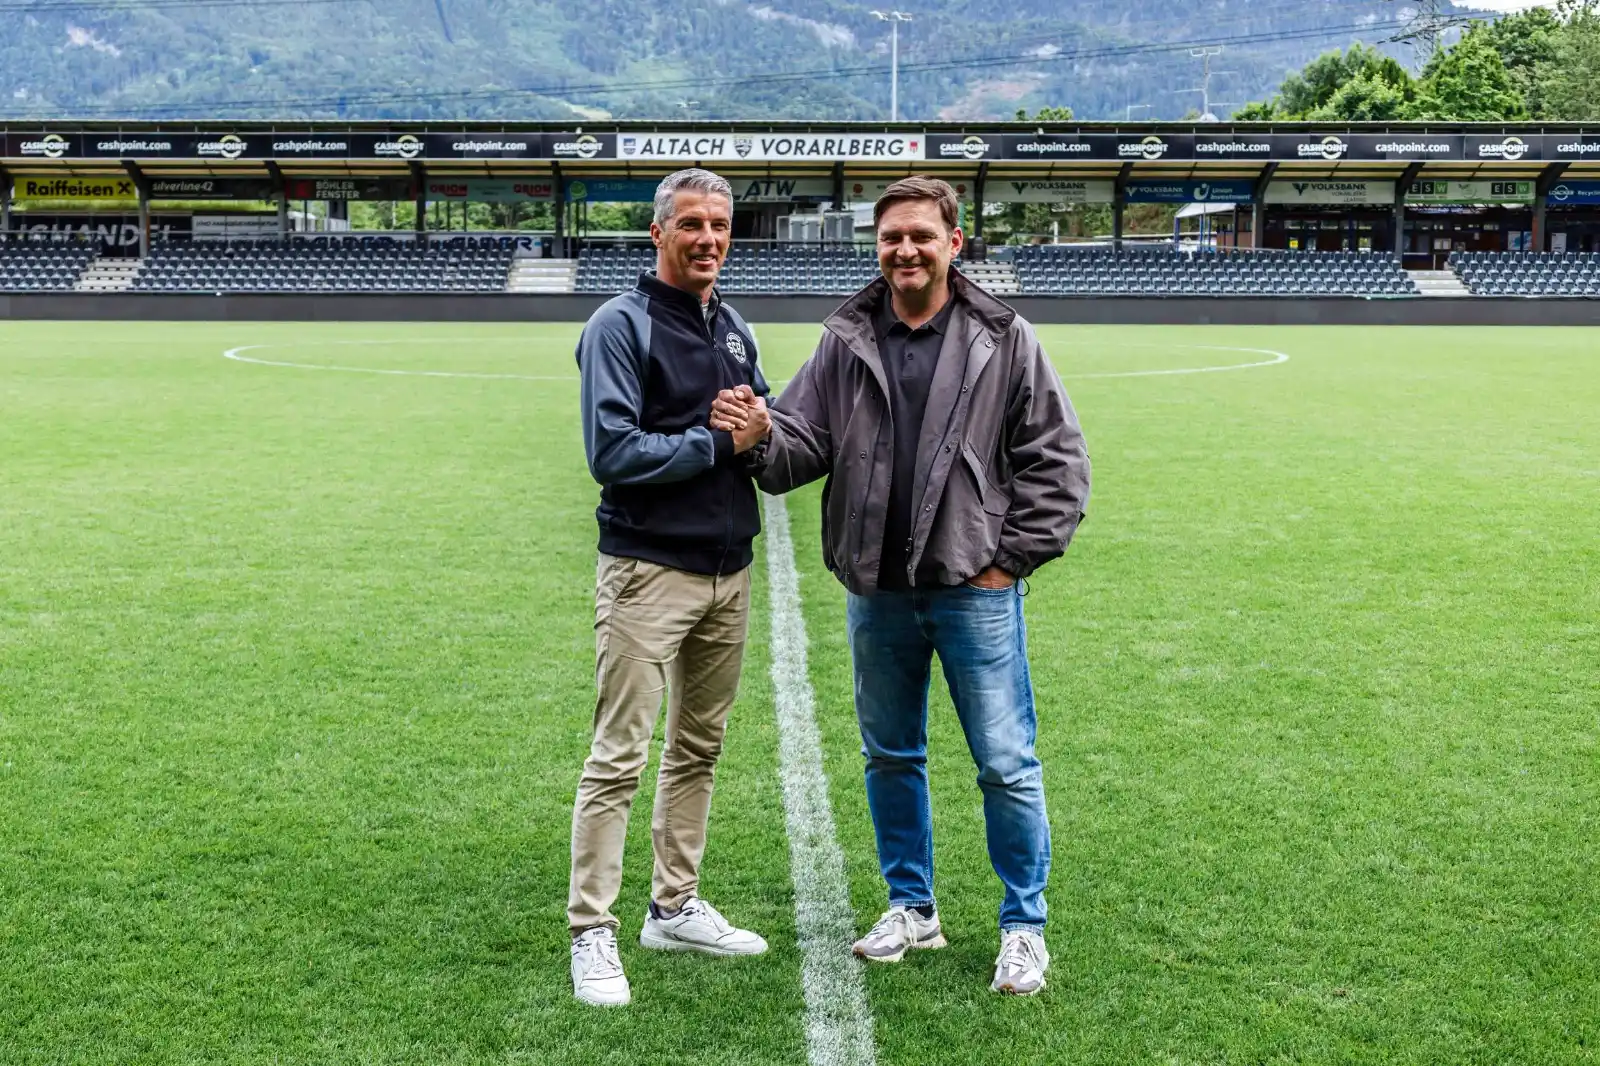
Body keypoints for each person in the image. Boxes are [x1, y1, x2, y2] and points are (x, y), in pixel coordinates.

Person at [711, 175, 1090, 995]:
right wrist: (756, 439)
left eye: (921, 235)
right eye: (891, 238)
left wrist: (1007, 560)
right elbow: (802, 443)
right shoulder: (847, 338)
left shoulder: (1003, 336)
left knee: (1005, 763)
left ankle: (1024, 925)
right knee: (890, 755)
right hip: (875, 590)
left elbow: (1058, 463)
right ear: (876, 247)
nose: (905, 251)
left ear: (955, 243)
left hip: (973, 591)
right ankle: (911, 907)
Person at [568, 168, 773, 1008]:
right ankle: (591, 931)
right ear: (658, 233)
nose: (708, 239)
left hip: (729, 573)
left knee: (699, 749)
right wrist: (717, 444)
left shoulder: (735, 328)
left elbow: (760, 428)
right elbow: (612, 452)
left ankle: (673, 906)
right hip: (648, 571)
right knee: (619, 755)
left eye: (720, 225)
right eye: (691, 223)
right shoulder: (620, 325)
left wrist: (760, 432)